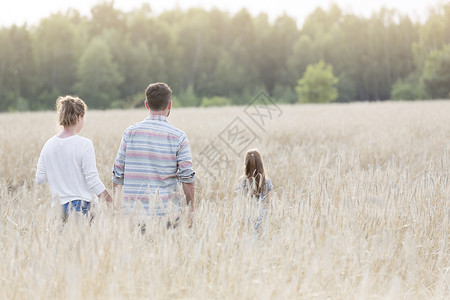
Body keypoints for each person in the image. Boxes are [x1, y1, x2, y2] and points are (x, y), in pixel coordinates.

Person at [112, 82, 195, 227]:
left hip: (133, 216)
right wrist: (191, 209)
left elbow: (117, 173)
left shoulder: (130, 133)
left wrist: (117, 207)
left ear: (146, 105)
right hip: (167, 215)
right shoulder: (179, 137)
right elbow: (187, 177)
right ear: (169, 105)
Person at [36, 96, 113, 222]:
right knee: (84, 241)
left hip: (58, 208)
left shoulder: (48, 145)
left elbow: (40, 179)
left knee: (63, 242)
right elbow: (92, 179)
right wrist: (110, 202)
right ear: (79, 117)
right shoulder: (84, 144)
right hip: (81, 207)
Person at [237, 149, 273, 233]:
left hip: (247, 216)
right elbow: (268, 201)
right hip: (262, 217)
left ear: (246, 164)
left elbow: (240, 201)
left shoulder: (242, 181)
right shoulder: (266, 182)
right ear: (261, 164)